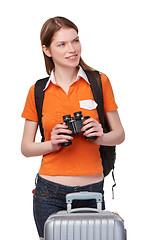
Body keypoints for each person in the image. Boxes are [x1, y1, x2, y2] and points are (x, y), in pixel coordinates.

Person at [21, 16, 125, 240]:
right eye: (62, 44)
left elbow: (119, 135)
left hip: (92, 190)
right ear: (47, 50)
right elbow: (26, 148)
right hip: (49, 192)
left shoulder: (99, 82)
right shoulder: (38, 90)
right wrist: (52, 143)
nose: (72, 49)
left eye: (75, 41)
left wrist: (99, 136)